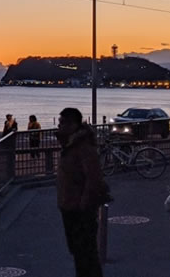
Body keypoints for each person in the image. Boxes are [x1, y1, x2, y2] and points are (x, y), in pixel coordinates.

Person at [57, 107, 107, 277]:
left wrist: (83, 205)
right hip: (69, 205)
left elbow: (93, 179)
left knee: (85, 253)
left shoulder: (83, 147)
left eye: (63, 123)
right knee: (79, 252)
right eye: (59, 122)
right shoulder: (70, 145)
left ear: (74, 125)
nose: (59, 126)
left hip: (79, 209)